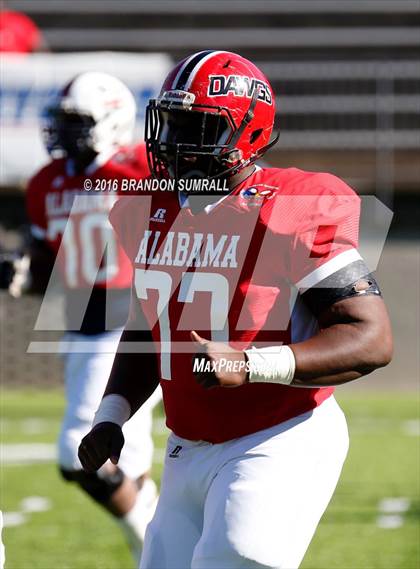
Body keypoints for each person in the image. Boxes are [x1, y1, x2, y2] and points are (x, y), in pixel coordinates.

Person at [78, 51, 393, 569]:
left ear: (245, 133)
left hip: (278, 434)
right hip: (186, 445)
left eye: (195, 127)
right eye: (172, 124)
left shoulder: (292, 203)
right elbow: (147, 326)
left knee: (239, 558)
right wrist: (111, 415)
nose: (175, 144)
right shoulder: (146, 208)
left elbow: (371, 337)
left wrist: (248, 365)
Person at [24, 72, 160, 563]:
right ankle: (157, 541)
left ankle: (149, 527)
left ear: (113, 122)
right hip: (79, 324)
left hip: (126, 319)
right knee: (122, 456)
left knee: (77, 452)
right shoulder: (46, 182)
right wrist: (21, 270)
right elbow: (44, 261)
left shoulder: (140, 169)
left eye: (77, 121)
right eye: (61, 121)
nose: (64, 132)